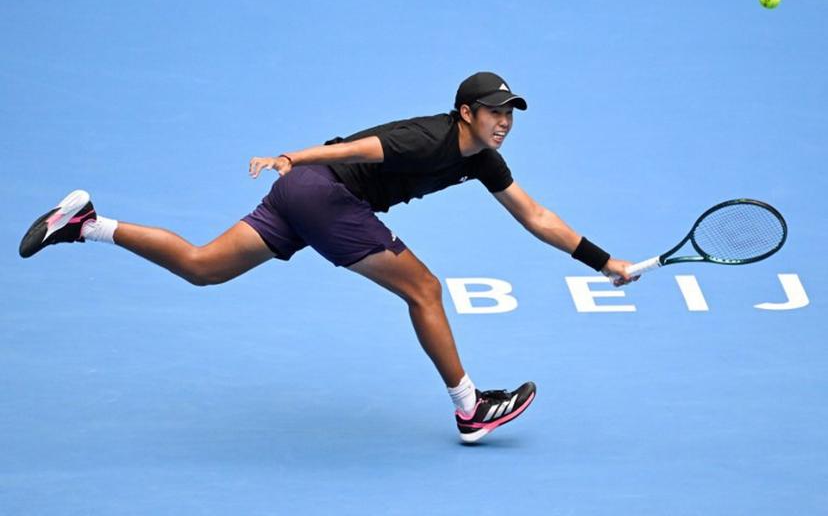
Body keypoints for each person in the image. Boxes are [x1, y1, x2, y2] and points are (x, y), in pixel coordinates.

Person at [19, 71, 636, 443]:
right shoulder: (428, 135)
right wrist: (290, 158)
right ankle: (470, 409)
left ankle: (87, 226)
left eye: (511, 114)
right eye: (495, 112)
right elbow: (360, 148)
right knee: (424, 289)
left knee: (202, 267)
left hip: (302, 199)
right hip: (321, 189)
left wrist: (603, 262)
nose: (505, 122)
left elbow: (536, 216)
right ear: (465, 113)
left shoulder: (485, 160)